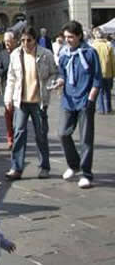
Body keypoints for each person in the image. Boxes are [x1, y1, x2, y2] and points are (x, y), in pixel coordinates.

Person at [3, 27, 56, 180]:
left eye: (29, 40)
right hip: (21, 101)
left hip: (39, 102)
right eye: (23, 40)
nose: (25, 44)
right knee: (19, 133)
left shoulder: (46, 54)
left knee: (41, 134)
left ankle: (44, 167)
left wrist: (50, 84)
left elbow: (54, 72)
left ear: (35, 40)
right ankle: (16, 168)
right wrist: (8, 98)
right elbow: (11, 78)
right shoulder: (15, 54)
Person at [56, 20, 102, 189]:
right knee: (62, 133)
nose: (67, 40)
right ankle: (74, 164)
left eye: (71, 37)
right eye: (66, 37)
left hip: (84, 100)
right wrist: (59, 82)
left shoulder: (90, 53)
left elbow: (97, 79)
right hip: (68, 99)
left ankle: (86, 173)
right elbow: (62, 72)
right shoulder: (64, 53)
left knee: (86, 139)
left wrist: (91, 99)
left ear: (79, 36)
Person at [0, 31, 18, 149]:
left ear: (14, 42)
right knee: (8, 114)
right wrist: (5, 70)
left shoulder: (19, 52)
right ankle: (10, 138)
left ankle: (18, 137)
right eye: (5, 42)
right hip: (7, 86)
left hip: (19, 87)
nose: (7, 44)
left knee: (19, 115)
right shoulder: (2, 54)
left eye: (9, 42)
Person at [91, 28, 114, 114]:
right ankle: (108, 108)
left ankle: (101, 109)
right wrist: (113, 72)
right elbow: (112, 60)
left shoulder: (93, 46)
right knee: (107, 91)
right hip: (108, 72)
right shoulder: (109, 45)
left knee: (99, 91)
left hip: (96, 72)